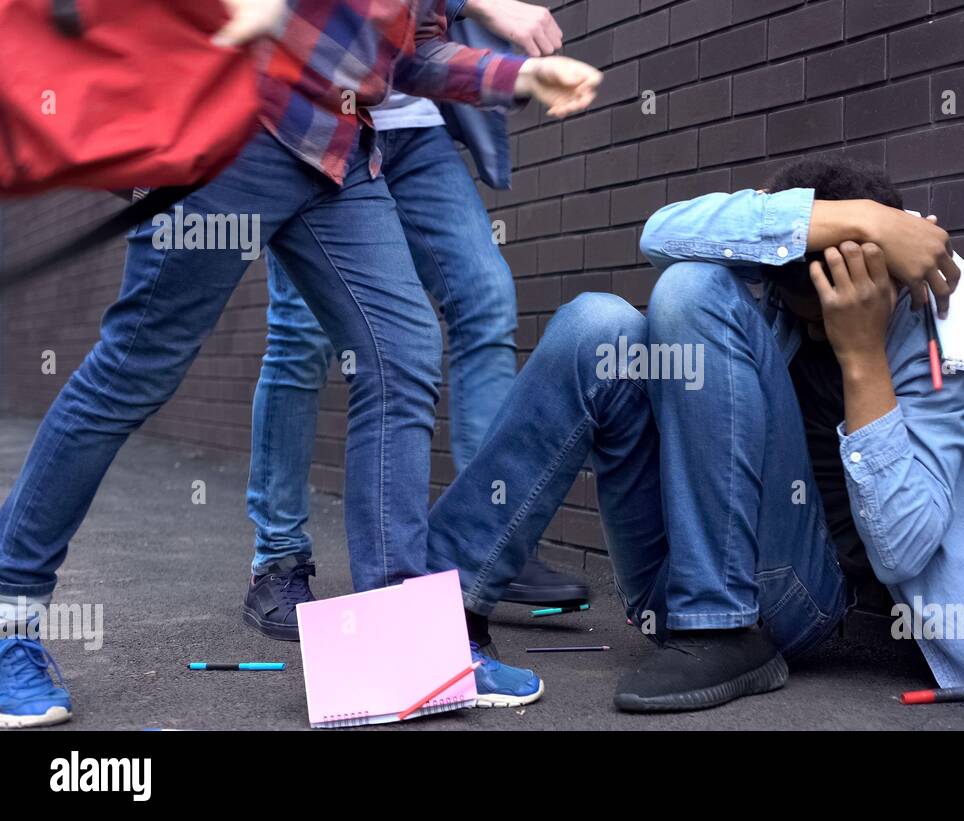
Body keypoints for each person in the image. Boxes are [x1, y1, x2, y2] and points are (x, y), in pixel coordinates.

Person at [0, 0, 600, 728]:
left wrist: (522, 74)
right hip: (233, 136)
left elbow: (408, 54)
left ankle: (397, 649)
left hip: (338, 152)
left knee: (403, 354)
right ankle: (9, 620)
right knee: (132, 374)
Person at [415, 156, 964, 712]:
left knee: (693, 289)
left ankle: (722, 627)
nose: (804, 330)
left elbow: (903, 548)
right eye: (792, 310)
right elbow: (660, 233)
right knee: (594, 326)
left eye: (813, 316)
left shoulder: (946, 339)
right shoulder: (794, 272)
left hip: (797, 600)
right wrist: (860, 219)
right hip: (671, 582)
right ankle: (437, 617)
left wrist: (862, 356)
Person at [242, 0, 589, 646]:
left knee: (484, 295)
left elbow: (422, 35)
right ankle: (279, 556)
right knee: (302, 336)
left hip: (413, 117)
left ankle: (485, 535)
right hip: (316, 116)